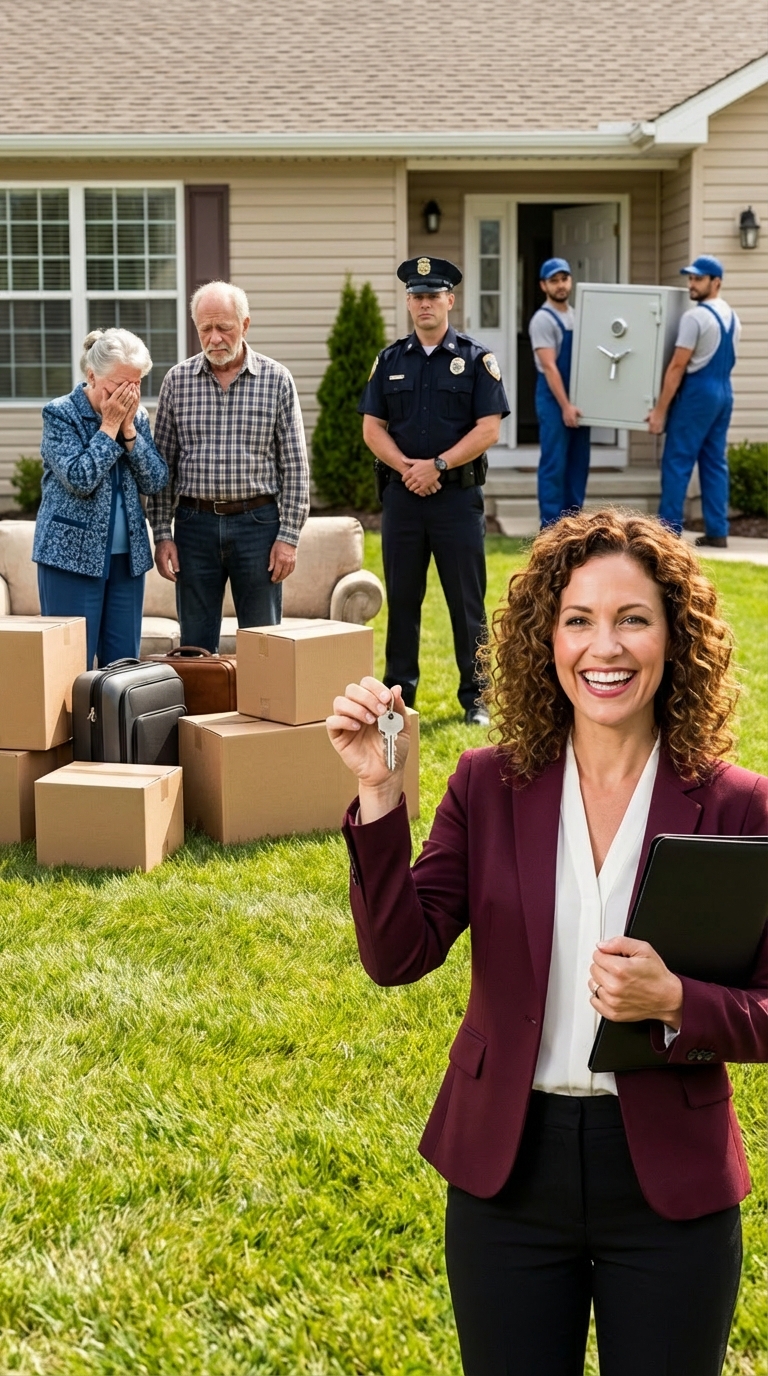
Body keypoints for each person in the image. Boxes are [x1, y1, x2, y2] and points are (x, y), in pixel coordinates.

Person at [327, 508, 768, 1376]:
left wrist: (679, 1001)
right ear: (547, 639)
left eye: (632, 619)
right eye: (579, 620)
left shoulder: (739, 806)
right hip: (505, 1173)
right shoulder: (487, 786)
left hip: (669, 1187)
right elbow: (396, 953)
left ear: (676, 639)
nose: (604, 648)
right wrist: (378, 791)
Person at [359, 256, 509, 727]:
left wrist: (439, 464)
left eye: (433, 295)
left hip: (456, 501)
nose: (425, 303)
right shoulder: (390, 361)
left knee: (467, 601)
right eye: (416, 296)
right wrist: (408, 468)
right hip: (403, 498)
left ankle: (478, 698)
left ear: (449, 300)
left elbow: (488, 429)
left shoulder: (476, 359)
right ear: (408, 303)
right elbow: (372, 427)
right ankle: (398, 698)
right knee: (402, 600)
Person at [148, 280, 309, 651]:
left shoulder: (277, 380)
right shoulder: (177, 381)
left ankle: (266, 708)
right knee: (195, 641)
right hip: (193, 527)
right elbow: (163, 468)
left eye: (224, 327)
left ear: (245, 324)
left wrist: (288, 537)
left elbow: (296, 467)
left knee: (265, 643)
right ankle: (201, 709)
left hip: (258, 526)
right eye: (206, 329)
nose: (215, 338)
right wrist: (162, 533)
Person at [33, 329, 168, 668]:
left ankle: (115, 725)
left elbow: (155, 480)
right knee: (69, 666)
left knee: (122, 669)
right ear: (92, 376)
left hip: (127, 562)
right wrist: (108, 427)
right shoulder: (60, 414)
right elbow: (80, 479)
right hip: (70, 558)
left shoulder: (137, 417)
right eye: (117, 384)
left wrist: (128, 431)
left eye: (135, 385)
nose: (126, 394)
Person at [650, 254, 741, 548]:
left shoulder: (695, 317)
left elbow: (677, 367)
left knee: (677, 461)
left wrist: (660, 411)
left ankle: (667, 533)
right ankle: (717, 531)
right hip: (724, 391)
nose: (692, 284)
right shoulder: (732, 317)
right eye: (690, 278)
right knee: (715, 463)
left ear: (716, 283)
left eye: (698, 279)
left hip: (698, 392)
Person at [529, 257, 591, 527]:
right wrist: (565, 405)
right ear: (544, 285)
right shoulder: (543, 320)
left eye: (564, 279)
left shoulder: (578, 315)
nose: (561, 285)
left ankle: (573, 526)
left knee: (578, 464)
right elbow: (549, 367)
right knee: (555, 464)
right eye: (554, 280)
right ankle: (550, 528)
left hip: (579, 398)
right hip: (554, 400)